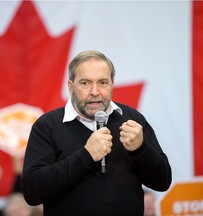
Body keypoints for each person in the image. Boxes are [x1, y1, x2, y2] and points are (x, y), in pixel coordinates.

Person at [22, 50, 172, 216]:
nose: (95, 91)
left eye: (102, 82)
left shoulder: (132, 119)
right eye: (85, 83)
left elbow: (163, 181)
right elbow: (32, 191)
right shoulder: (47, 126)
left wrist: (141, 149)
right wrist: (86, 155)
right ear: (71, 86)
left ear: (112, 84)